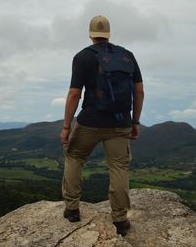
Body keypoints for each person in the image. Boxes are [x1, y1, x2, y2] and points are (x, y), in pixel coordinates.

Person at [59, 15, 144, 236]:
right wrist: (135, 121)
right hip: (120, 123)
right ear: (109, 33)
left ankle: (72, 209)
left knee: (75, 157)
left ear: (90, 34)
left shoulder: (83, 57)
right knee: (118, 167)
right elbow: (139, 91)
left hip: (90, 123)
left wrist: (67, 126)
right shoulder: (127, 56)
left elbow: (74, 94)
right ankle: (120, 220)